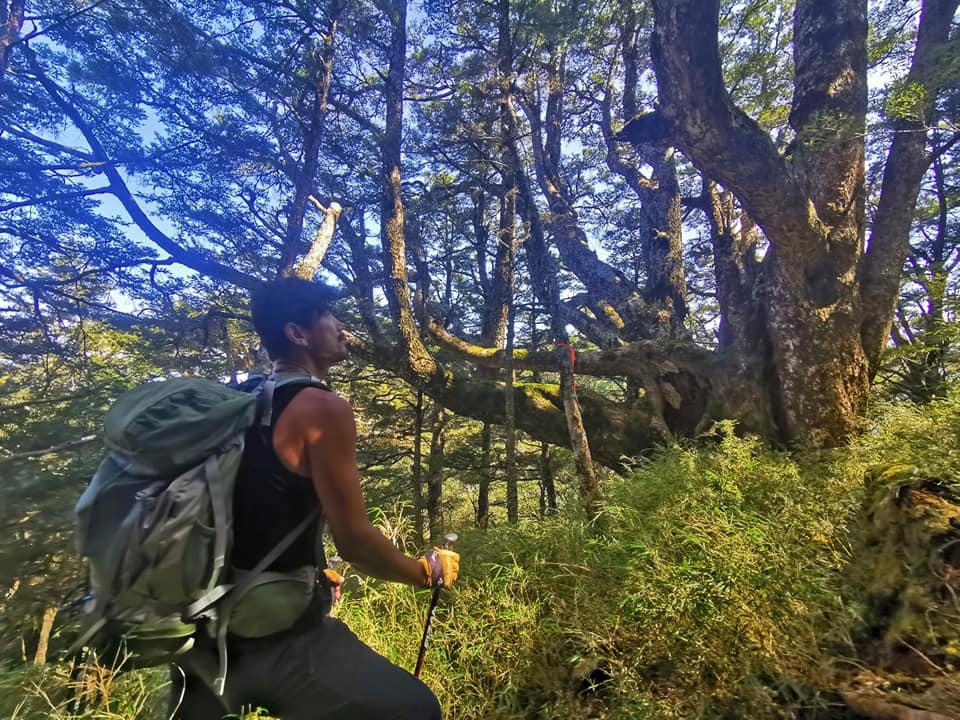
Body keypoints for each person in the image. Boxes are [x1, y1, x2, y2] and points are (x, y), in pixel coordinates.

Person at [172, 276, 460, 719]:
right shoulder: (322, 408)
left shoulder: (241, 398)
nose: (341, 326)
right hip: (279, 639)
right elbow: (358, 544)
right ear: (298, 334)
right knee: (418, 710)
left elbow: (251, 501)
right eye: (329, 316)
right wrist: (423, 573)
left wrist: (313, 565)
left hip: (205, 633)